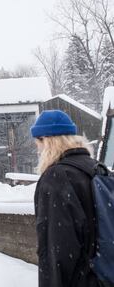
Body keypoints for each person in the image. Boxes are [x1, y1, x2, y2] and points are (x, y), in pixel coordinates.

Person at [31, 110, 99, 287]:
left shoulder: (56, 177)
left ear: (47, 141)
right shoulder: (97, 170)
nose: (38, 149)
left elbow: (57, 252)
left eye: (38, 143)